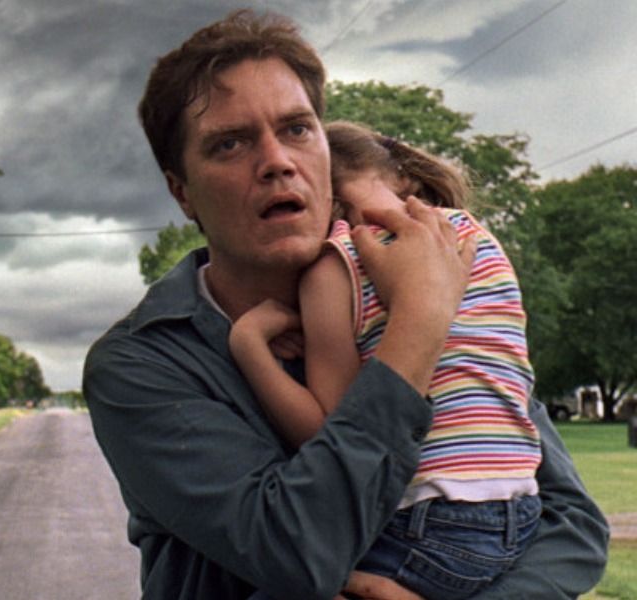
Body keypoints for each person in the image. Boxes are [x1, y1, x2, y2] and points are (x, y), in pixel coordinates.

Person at [83, 9, 609, 600]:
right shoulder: (142, 363)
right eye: (230, 143)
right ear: (182, 191)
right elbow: (295, 551)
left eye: (297, 129)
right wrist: (419, 322)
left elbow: (574, 525)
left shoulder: (409, 289)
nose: (277, 160)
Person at [228, 121, 542, 599]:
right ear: (401, 176)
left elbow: (334, 436)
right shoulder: (478, 238)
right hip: (520, 515)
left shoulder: (337, 262)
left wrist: (250, 345)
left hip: (428, 521)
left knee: (282, 578)